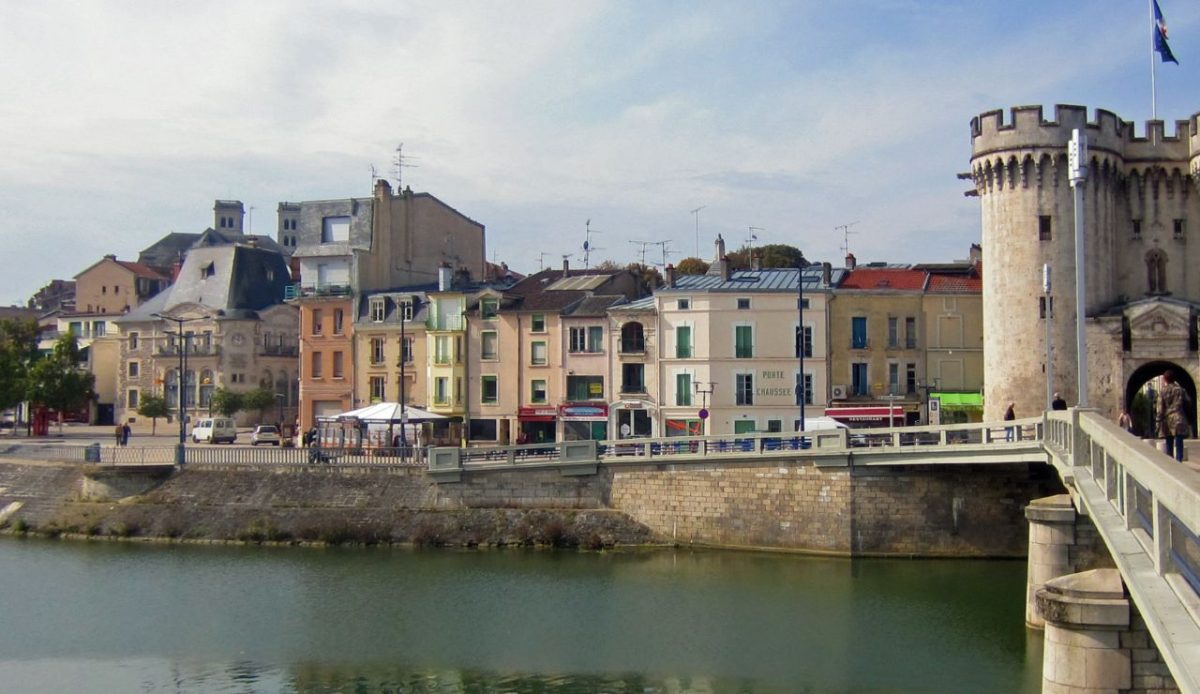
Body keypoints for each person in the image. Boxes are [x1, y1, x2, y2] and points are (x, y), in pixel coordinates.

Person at [1158, 370, 1191, 462]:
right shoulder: (1181, 390)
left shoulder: (1163, 391)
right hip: (1179, 417)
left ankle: (1170, 461)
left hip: (1167, 419)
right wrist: (1190, 418)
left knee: (1169, 441)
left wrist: (1158, 420)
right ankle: (1179, 461)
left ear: (1165, 379)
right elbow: (1188, 403)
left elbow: (1160, 408)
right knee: (1179, 440)